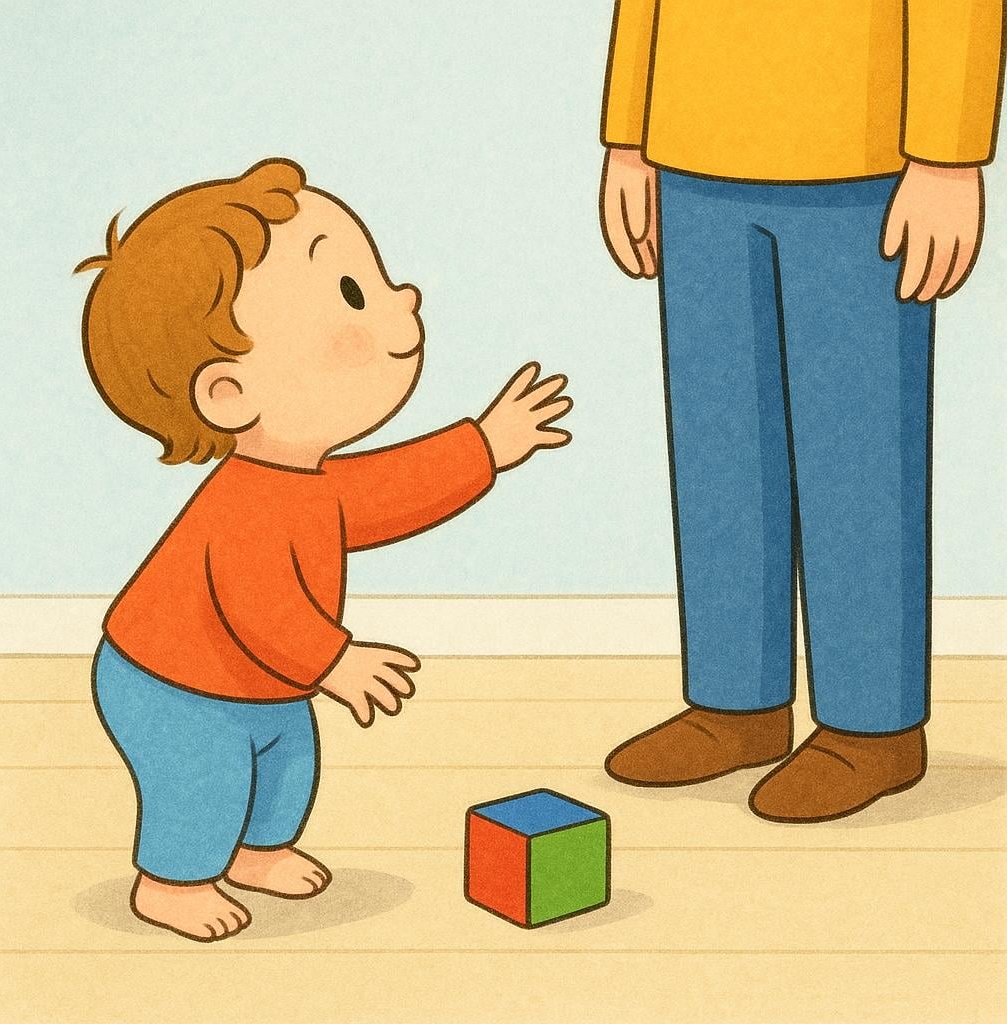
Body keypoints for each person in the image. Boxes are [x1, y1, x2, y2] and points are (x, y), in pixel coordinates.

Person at [76, 158, 572, 940]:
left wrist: (484, 445)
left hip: (264, 684)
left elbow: (385, 491)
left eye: (378, 282)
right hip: (170, 683)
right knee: (201, 781)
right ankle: (170, 885)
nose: (403, 301)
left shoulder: (308, 482)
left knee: (286, 765)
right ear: (229, 393)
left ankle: (258, 851)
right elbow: (259, 607)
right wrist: (335, 661)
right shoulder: (244, 505)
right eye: (353, 296)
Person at [599, 1, 1004, 821]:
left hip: (856, 150)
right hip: (690, 142)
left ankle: (872, 725)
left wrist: (948, 155)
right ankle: (733, 704)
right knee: (721, 447)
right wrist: (628, 131)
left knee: (854, 453)